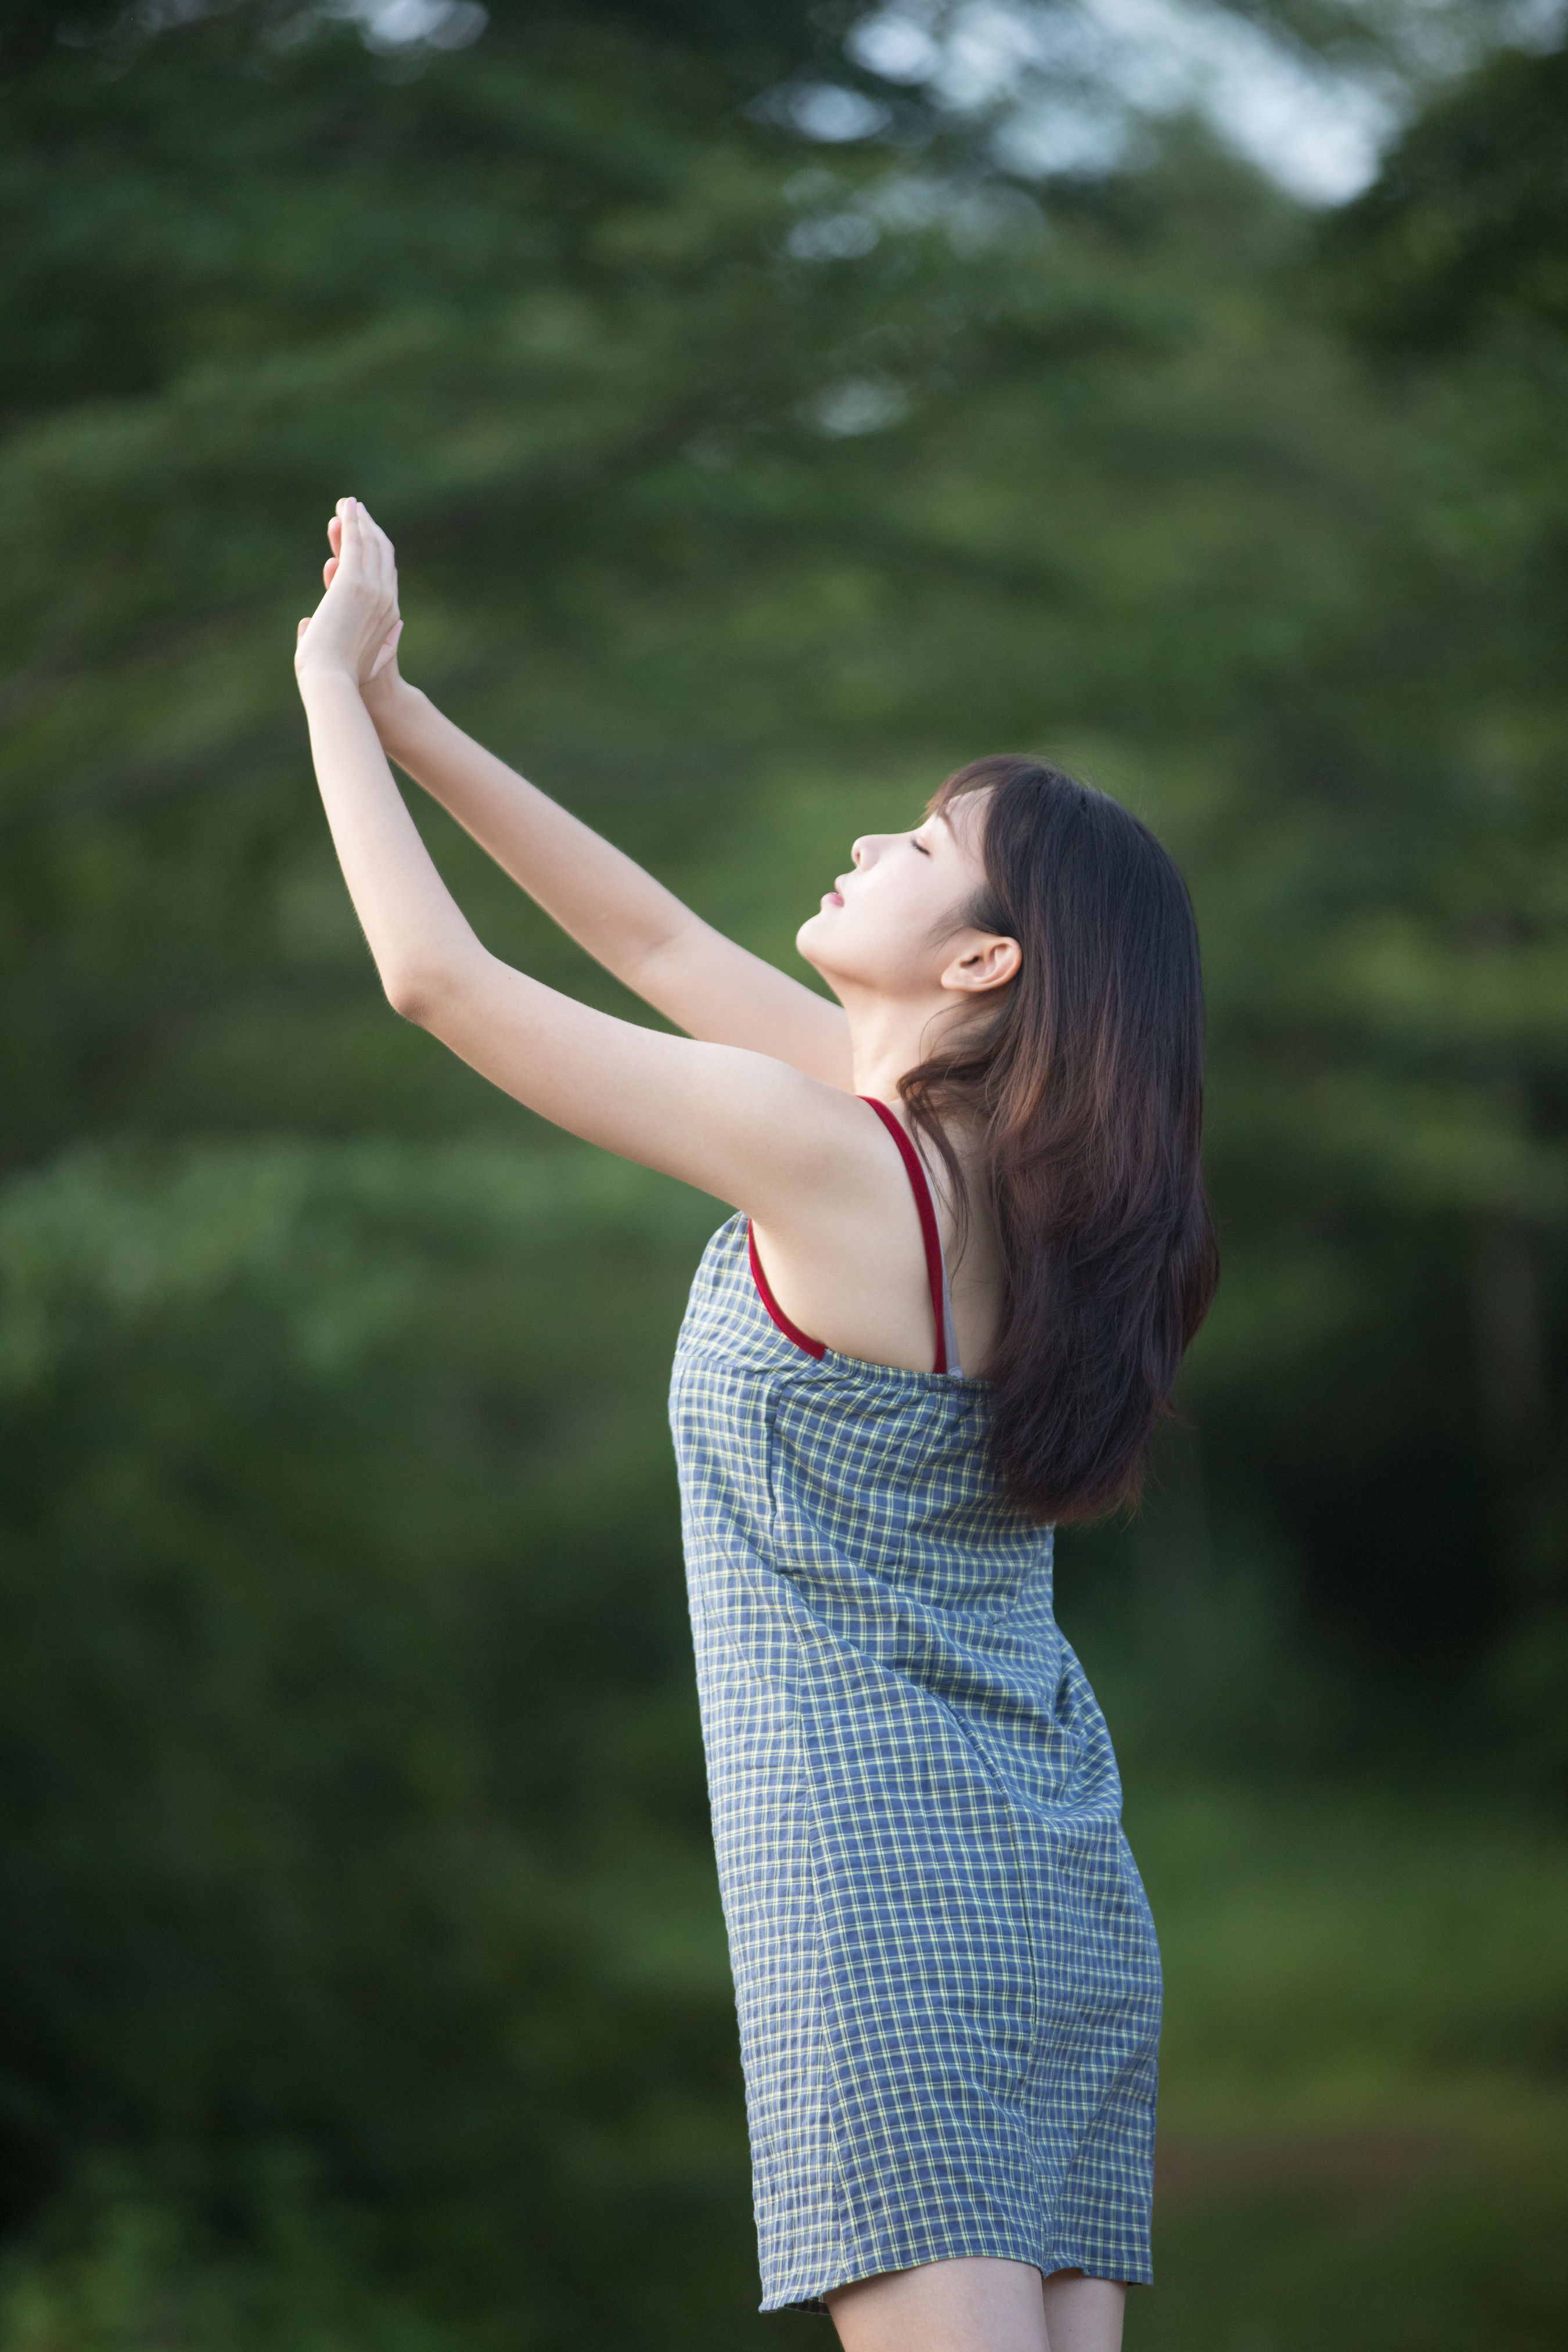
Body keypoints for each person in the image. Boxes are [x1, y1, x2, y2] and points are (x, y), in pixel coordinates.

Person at [295, 498, 1218, 2352]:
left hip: (887, 1902)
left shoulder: (841, 1162)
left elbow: (436, 979)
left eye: (927, 841)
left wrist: (320, 681)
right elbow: (644, 937)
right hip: (1047, 1883)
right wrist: (407, 711)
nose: (875, 837)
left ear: (983, 964)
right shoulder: (971, 1182)